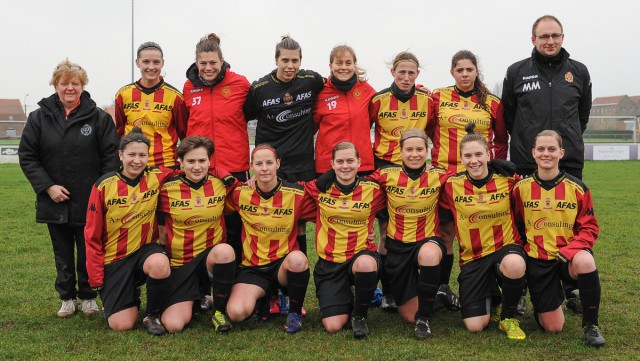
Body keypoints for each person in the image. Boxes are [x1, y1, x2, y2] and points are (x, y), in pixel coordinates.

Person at [18, 58, 119, 318]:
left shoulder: (98, 118)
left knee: (88, 251)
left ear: (83, 86)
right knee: (61, 251)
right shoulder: (39, 117)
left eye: (75, 83)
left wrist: (100, 192)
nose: (70, 88)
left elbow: (110, 158)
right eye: (64, 83)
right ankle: (67, 298)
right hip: (55, 200)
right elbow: (28, 156)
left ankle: (87, 297)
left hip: (90, 200)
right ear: (55, 85)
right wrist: (48, 186)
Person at [428, 50, 507, 311]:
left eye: (469, 69)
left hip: (478, 178)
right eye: (459, 70)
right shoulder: (438, 97)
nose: (464, 74)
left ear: (476, 71)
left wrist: (494, 166)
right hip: (446, 178)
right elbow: (430, 129)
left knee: (480, 230)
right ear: (452, 72)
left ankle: (491, 284)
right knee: (447, 232)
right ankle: (442, 287)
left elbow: (500, 139)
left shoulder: (492, 102)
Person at [512, 130, 605, 347]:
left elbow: (589, 229)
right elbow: (516, 225)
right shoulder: (520, 189)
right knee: (553, 327)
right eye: (541, 149)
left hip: (567, 258)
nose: (546, 154)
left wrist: (568, 252)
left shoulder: (578, 188)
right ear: (533, 153)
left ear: (561, 153)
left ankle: (591, 325)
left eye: (552, 149)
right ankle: (555, 295)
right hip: (538, 262)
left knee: (586, 261)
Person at [182, 33, 251, 309]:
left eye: (213, 62)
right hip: (200, 170)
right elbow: (183, 125)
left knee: (234, 230)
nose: (208, 68)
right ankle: (198, 291)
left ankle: (231, 289)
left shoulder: (241, 84)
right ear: (196, 63)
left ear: (223, 62)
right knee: (199, 228)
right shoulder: (188, 88)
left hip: (233, 169)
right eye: (203, 63)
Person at [439, 123, 527, 340]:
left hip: (505, 249)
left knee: (515, 264)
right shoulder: (451, 185)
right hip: (473, 258)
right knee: (475, 326)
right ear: (461, 158)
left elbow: (523, 213)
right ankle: (494, 298)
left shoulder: (508, 180)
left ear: (488, 154)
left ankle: (509, 318)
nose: (474, 160)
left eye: (479, 154)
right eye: (468, 156)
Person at [85, 127, 173, 335]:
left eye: (143, 155)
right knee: (121, 325)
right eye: (131, 155)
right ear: (121, 155)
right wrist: (97, 278)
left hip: (145, 251)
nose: (137, 160)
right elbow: (92, 236)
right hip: (115, 258)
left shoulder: (156, 176)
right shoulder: (104, 186)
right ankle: (127, 292)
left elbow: (193, 167)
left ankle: (152, 315)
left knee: (160, 263)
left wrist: (223, 175)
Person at [369, 51, 435, 310]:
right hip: (387, 170)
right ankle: (389, 292)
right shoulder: (379, 100)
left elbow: (432, 131)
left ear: (417, 75)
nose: (406, 77)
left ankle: (426, 286)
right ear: (392, 72)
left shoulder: (427, 100)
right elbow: (365, 130)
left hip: (418, 170)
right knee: (387, 232)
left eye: (411, 73)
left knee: (421, 227)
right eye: (402, 72)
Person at [367, 129, 448, 340]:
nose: (415, 154)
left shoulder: (439, 175)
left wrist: (494, 165)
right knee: (408, 315)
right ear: (400, 151)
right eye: (409, 149)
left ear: (427, 150)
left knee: (429, 255)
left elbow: (470, 175)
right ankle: (440, 296)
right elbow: (358, 184)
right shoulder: (386, 175)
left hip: (428, 240)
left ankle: (425, 320)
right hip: (398, 247)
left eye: (420, 149)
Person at [225, 144, 313, 334]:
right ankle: (265, 298)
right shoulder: (240, 193)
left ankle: (295, 311)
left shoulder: (297, 193)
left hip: (282, 265)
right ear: (251, 166)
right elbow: (217, 205)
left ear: (277, 164)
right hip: (252, 267)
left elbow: (328, 207)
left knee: (298, 260)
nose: (264, 168)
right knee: (236, 313)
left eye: (269, 163)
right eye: (259, 164)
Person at [305, 142, 386, 339]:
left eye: (350, 161)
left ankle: (360, 316)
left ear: (359, 162)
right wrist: (254, 182)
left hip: (360, 256)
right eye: (339, 161)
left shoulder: (374, 189)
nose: (345, 166)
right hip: (330, 264)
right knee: (333, 326)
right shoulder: (319, 189)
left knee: (366, 264)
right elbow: (285, 188)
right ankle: (357, 296)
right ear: (331, 164)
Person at [156, 136, 236, 333]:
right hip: (180, 264)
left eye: (202, 160)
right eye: (191, 161)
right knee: (173, 325)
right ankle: (197, 298)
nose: (197, 166)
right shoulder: (166, 188)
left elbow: (252, 193)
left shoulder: (222, 184)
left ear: (210, 161)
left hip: (208, 259)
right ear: (180, 162)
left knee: (225, 251)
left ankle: (218, 311)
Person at [502, 15, 592, 180]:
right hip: (526, 161)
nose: (550, 41)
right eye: (544, 36)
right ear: (533, 39)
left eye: (555, 36)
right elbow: (508, 115)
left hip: (568, 161)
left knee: (567, 206)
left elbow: (583, 115)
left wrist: (569, 133)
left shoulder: (579, 71)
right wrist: (525, 134)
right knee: (528, 206)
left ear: (562, 37)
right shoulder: (516, 72)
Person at [115, 41, 188, 169]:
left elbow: (184, 134)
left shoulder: (175, 97)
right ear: (137, 62)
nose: (151, 67)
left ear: (162, 63)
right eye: (146, 62)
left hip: (166, 166)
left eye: (156, 62)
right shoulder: (123, 94)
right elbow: (119, 132)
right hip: (133, 165)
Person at [313, 45, 376, 175]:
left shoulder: (366, 90)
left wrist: (419, 89)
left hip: (361, 165)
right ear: (331, 66)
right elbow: (310, 127)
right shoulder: (320, 92)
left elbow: (389, 101)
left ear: (354, 65)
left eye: (348, 63)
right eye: (339, 63)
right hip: (328, 166)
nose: (343, 67)